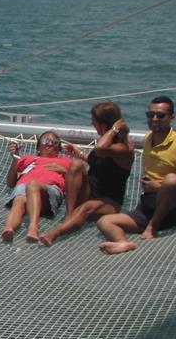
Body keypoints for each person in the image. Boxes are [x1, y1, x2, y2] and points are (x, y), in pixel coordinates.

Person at [96, 96, 176, 254]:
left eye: (160, 115)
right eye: (150, 114)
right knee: (104, 221)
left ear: (171, 118)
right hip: (151, 204)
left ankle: (153, 225)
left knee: (171, 180)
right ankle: (123, 243)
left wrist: (159, 187)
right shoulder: (148, 139)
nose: (154, 119)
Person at [39, 102, 134, 246]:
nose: (91, 124)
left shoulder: (123, 148)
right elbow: (97, 161)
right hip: (90, 192)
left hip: (108, 201)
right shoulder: (106, 142)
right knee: (76, 165)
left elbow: (100, 149)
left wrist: (114, 129)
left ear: (103, 125)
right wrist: (79, 154)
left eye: (94, 121)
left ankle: (56, 232)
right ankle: (69, 215)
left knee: (85, 208)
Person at [2, 130, 82, 243]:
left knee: (33, 185)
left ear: (59, 148)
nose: (50, 144)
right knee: (19, 199)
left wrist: (65, 171)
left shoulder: (67, 162)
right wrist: (15, 159)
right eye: (46, 140)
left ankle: (33, 227)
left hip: (49, 190)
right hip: (24, 188)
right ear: (38, 147)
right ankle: (8, 229)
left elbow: (80, 184)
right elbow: (11, 183)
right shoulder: (27, 159)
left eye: (54, 142)